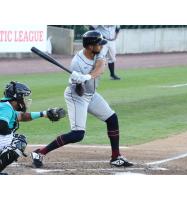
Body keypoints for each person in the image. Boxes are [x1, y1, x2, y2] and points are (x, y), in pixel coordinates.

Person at [31, 30, 133, 168]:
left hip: (91, 94)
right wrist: (78, 81)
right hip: (76, 96)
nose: (101, 46)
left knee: (112, 118)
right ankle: (40, 152)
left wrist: (88, 76)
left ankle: (116, 157)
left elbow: (101, 66)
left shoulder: (98, 52)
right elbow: (79, 91)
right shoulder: (76, 63)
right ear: (90, 46)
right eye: (99, 44)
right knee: (77, 135)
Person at [0, 81, 65, 175]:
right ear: (17, 96)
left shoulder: (6, 106)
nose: (24, 100)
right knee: (19, 142)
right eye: (23, 96)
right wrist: (9, 135)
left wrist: (44, 114)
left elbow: (21, 116)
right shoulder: (5, 108)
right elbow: (1, 125)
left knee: (16, 138)